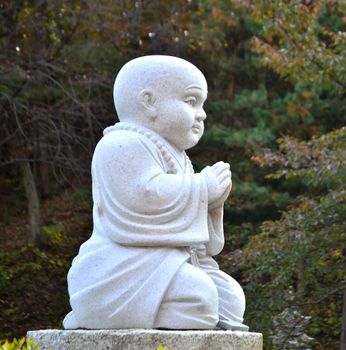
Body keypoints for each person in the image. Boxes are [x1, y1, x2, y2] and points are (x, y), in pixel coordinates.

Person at [63, 55, 247, 331]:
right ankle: (100, 310)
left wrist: (211, 203)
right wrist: (201, 188)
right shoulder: (119, 144)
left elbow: (204, 244)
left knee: (232, 300)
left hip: (171, 259)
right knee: (202, 298)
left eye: (202, 105)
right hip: (123, 264)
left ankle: (172, 309)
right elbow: (141, 200)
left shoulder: (180, 157)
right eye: (191, 101)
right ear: (149, 102)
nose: (202, 113)